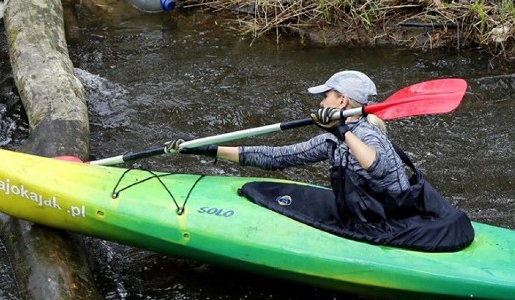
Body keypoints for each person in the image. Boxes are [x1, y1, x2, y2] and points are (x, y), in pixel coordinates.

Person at [176, 70, 475, 252]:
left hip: (394, 221)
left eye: (327, 96)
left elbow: (377, 165)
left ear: (342, 102)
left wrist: (341, 129)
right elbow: (275, 157)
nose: (321, 102)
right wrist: (212, 151)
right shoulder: (331, 139)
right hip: (367, 216)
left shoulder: (369, 134)